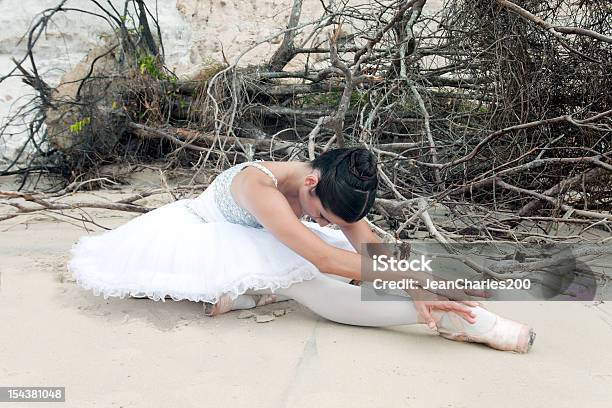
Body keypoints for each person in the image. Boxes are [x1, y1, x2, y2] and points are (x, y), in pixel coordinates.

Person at [68, 147, 536, 353]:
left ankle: (446, 303)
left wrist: (411, 276)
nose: (323, 221)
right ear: (310, 182)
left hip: (264, 239)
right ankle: (447, 319)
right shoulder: (259, 186)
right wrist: (414, 285)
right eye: (321, 213)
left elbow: (366, 244)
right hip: (203, 236)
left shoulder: (330, 192)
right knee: (316, 282)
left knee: (373, 264)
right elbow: (327, 257)